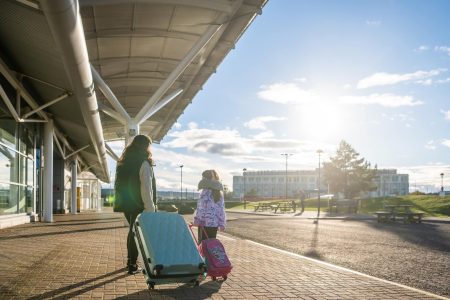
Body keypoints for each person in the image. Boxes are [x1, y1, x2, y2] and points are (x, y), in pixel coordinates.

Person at [114, 135, 156, 274]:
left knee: (132, 231)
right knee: (136, 233)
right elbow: (146, 187)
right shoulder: (143, 162)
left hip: (126, 203)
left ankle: (130, 262)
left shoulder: (123, 162)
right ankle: (132, 264)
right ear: (145, 146)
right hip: (139, 203)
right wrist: (150, 208)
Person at [193, 170, 226, 243]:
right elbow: (221, 210)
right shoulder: (219, 193)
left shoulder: (204, 192)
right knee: (211, 245)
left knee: (202, 245)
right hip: (214, 224)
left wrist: (197, 220)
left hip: (203, 223)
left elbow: (201, 208)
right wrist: (222, 223)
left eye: (203, 177)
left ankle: (203, 255)